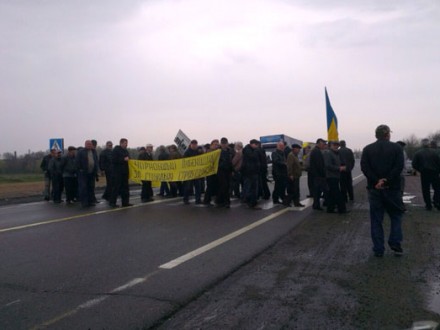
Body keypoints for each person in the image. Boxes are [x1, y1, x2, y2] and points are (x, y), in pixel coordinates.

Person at [361, 124, 405, 257]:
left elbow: (365, 168)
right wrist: (386, 180)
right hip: (392, 188)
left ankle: (378, 249)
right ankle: (395, 243)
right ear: (387, 134)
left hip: (375, 189)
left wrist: (376, 181)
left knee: (376, 219)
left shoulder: (367, 149)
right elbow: (398, 167)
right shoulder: (397, 148)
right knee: (396, 216)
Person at [412, 139, 440, 210]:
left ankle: (428, 205)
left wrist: (420, 169)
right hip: (435, 172)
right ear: (429, 144)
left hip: (424, 173)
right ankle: (436, 201)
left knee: (425, 189)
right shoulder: (435, 152)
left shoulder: (418, 153)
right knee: (437, 188)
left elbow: (414, 164)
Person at [324, 141, 347, 214]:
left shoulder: (336, 153)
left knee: (331, 193)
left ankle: (330, 209)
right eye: (334, 145)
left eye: (337, 145)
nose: (336, 146)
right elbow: (327, 165)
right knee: (337, 193)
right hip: (331, 176)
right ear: (330, 146)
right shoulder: (328, 153)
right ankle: (342, 209)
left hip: (335, 176)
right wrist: (339, 168)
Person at [109, 138, 132, 207]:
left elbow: (129, 158)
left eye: (127, 143)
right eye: (125, 143)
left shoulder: (126, 151)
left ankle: (125, 202)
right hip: (117, 173)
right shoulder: (116, 150)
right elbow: (113, 160)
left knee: (125, 188)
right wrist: (123, 159)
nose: (126, 145)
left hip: (124, 173)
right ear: (121, 143)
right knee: (116, 188)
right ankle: (112, 202)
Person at [76, 140, 99, 208]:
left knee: (91, 187)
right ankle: (84, 202)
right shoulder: (81, 152)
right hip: (83, 173)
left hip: (91, 173)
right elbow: (77, 161)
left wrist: (97, 169)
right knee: (83, 188)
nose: (89, 145)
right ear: (85, 144)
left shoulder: (94, 151)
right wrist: (80, 169)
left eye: (90, 144)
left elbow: (96, 161)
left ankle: (91, 201)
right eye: (88, 144)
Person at [241, 139, 261, 209]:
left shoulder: (250, 150)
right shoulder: (248, 150)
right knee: (251, 188)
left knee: (252, 188)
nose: (257, 147)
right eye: (256, 145)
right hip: (249, 172)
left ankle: (251, 202)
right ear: (252, 144)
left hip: (253, 172)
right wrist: (256, 151)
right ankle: (250, 202)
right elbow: (253, 157)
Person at [309, 138, 328, 210]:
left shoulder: (316, 151)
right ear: (319, 143)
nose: (324, 145)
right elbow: (319, 165)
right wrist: (323, 174)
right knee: (319, 191)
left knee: (318, 191)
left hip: (317, 175)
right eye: (323, 144)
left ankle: (316, 205)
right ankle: (317, 205)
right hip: (318, 176)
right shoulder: (316, 152)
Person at [183, 140, 203, 205]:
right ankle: (185, 199)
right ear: (191, 144)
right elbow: (184, 161)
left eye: (195, 144)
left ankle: (198, 200)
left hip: (197, 172)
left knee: (198, 187)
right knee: (188, 187)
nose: (194, 145)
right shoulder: (187, 152)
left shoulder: (198, 151)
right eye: (193, 144)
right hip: (189, 172)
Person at [216, 137, 233, 208]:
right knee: (223, 186)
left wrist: (232, 170)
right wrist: (221, 165)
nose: (224, 145)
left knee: (227, 186)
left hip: (228, 171)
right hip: (221, 171)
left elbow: (231, 162)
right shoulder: (218, 151)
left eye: (225, 143)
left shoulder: (230, 151)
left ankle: (224, 201)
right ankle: (223, 201)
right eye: (223, 143)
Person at [203, 139, 220, 206]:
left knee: (215, 186)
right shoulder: (209, 151)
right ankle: (206, 200)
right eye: (215, 144)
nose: (216, 146)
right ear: (211, 145)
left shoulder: (218, 151)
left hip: (216, 171)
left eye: (217, 144)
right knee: (209, 186)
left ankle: (214, 199)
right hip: (210, 171)